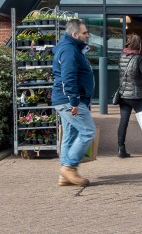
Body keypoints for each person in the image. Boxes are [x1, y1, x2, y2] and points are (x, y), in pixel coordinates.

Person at [51, 19, 97, 187]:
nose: (88, 35)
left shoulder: (71, 48)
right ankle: (70, 166)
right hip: (68, 101)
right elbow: (68, 76)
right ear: (75, 34)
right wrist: (74, 101)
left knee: (70, 135)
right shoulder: (69, 50)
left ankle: (65, 174)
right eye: (85, 33)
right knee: (88, 131)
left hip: (67, 100)